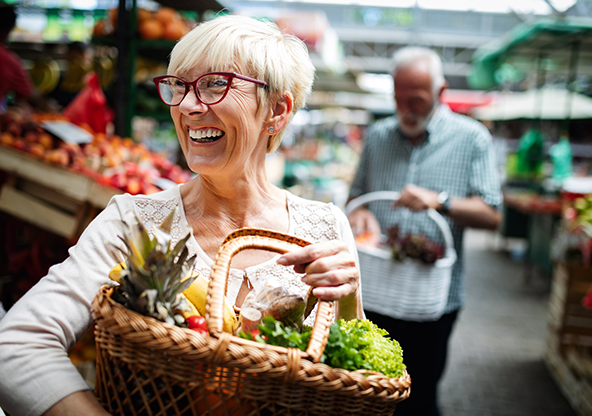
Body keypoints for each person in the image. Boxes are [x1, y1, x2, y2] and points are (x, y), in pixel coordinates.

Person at [0, 15, 364, 416]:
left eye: (214, 84)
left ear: (276, 111)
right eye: (179, 87)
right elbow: (17, 345)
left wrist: (349, 302)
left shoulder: (327, 228)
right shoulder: (132, 223)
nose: (188, 106)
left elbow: (356, 380)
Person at [347, 46, 503, 416]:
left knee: (420, 395)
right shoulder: (378, 136)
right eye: (399, 99)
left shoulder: (472, 138)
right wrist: (362, 215)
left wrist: (441, 201)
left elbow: (492, 214)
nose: (406, 109)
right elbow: (357, 197)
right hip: (376, 292)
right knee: (368, 390)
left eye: (416, 100)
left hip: (435, 301)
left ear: (441, 92)